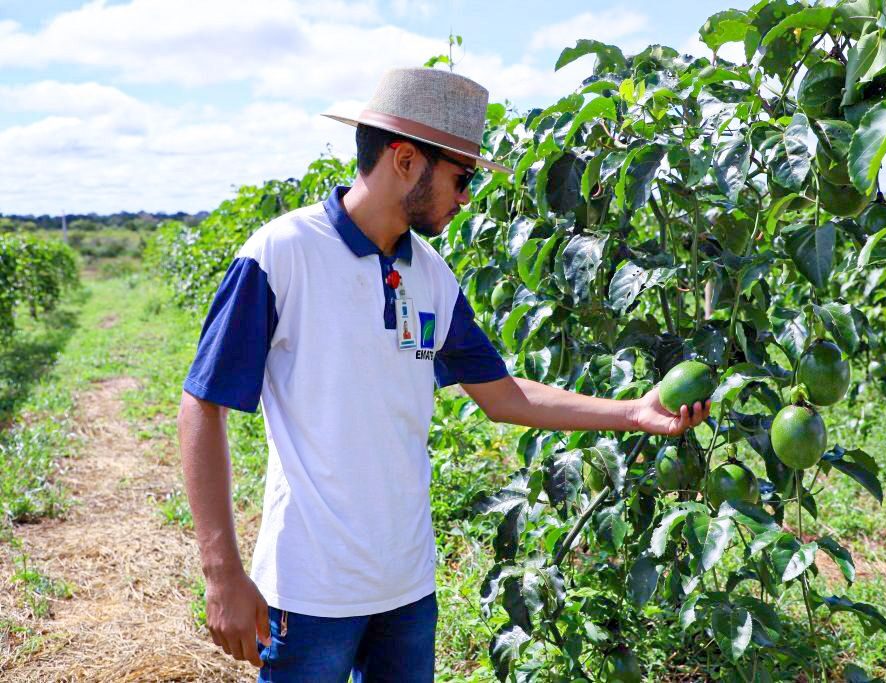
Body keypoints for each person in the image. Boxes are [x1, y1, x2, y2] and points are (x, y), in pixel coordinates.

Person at [176, 67, 711, 682]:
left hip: (406, 586)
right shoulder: (282, 254)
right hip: (311, 587)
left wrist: (633, 413)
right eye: (462, 179)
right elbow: (203, 403)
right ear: (405, 160)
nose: (465, 198)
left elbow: (505, 397)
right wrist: (222, 573)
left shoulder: (432, 277)